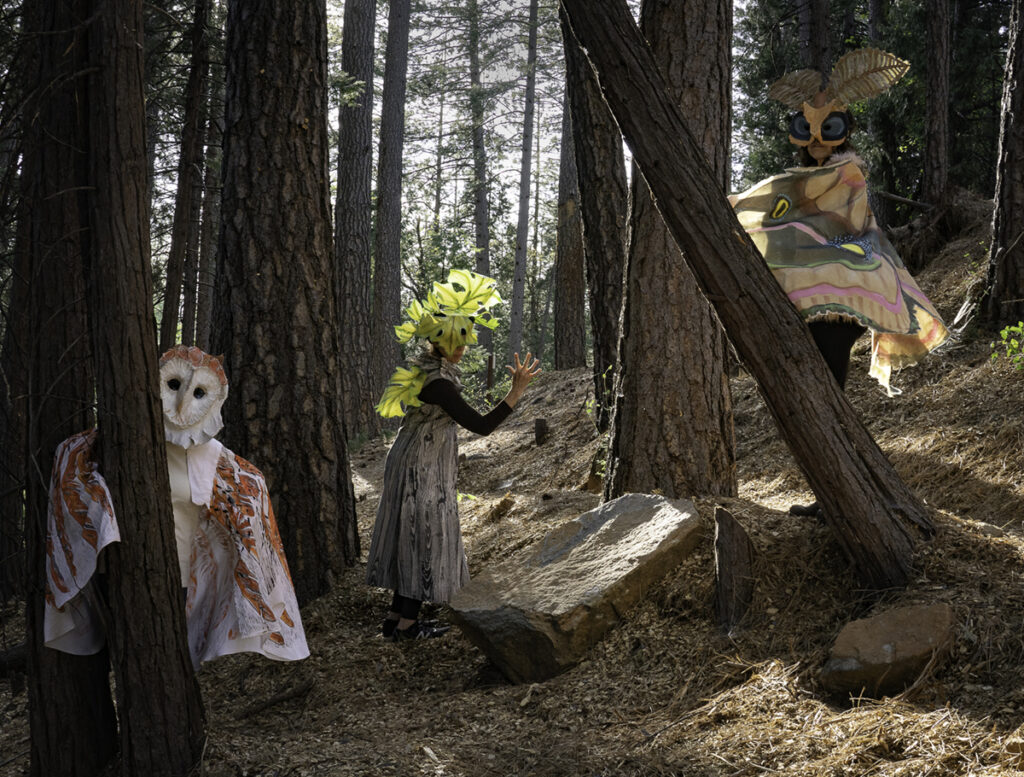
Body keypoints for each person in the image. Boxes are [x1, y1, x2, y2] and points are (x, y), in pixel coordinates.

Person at [730, 48, 950, 516]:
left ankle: (839, 493)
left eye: (827, 130)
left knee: (826, 393)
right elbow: (788, 224)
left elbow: (830, 230)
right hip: (826, 302)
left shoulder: (845, 177)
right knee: (821, 391)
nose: (815, 140)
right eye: (804, 130)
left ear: (842, 130)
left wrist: (748, 208)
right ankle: (838, 489)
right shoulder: (805, 180)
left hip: (844, 301)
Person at [365, 269, 541, 641]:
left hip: (412, 457)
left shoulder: (427, 370)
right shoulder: (440, 383)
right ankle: (408, 627)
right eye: (453, 343)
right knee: (421, 535)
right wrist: (516, 392)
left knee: (410, 532)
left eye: (463, 341)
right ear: (437, 342)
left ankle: (396, 620)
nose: (461, 349)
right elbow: (480, 426)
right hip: (421, 466)